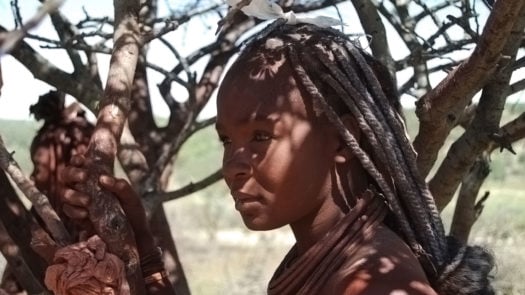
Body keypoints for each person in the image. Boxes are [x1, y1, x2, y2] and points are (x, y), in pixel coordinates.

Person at [59, 21, 494, 294]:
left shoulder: (377, 283)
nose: (233, 164)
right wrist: (145, 256)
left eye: (261, 135)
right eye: (227, 140)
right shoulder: (327, 260)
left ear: (346, 140)